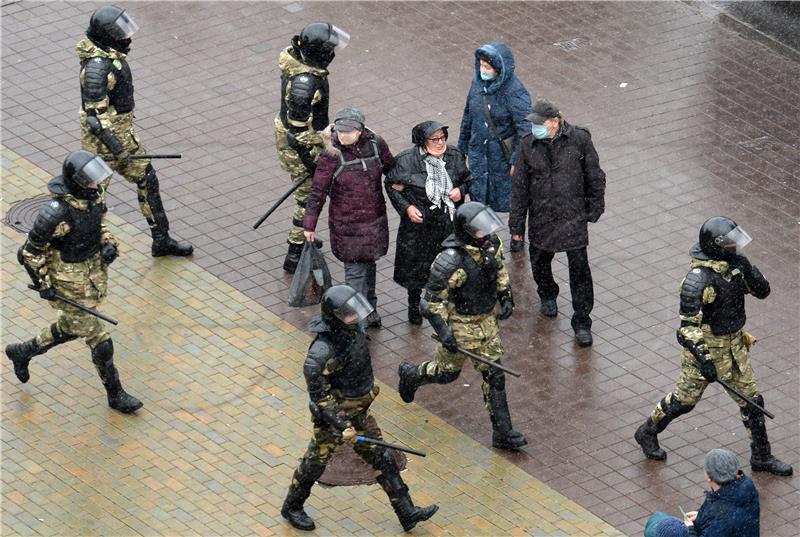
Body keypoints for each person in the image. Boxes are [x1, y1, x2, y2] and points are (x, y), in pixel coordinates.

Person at [634, 217, 792, 477]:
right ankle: (647, 431)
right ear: (717, 246)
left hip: (735, 346)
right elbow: (687, 328)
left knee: (752, 402)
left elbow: (763, 292)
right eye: (730, 244)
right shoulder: (697, 281)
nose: (735, 248)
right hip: (706, 349)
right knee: (684, 401)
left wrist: (749, 270)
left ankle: (761, 457)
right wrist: (705, 360)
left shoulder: (734, 268)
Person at [281, 285, 438, 532]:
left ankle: (407, 512)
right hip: (335, 419)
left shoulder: (353, 331)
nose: (355, 318)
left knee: (383, 459)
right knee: (316, 462)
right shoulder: (321, 353)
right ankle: (292, 506)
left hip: (360, 411)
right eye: (348, 315)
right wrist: (343, 426)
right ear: (335, 317)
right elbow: (320, 397)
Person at [4, 150, 143, 414]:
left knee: (70, 327)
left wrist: (109, 244)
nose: (96, 185)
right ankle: (116, 394)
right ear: (77, 182)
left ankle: (22, 352)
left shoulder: (94, 198)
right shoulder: (55, 214)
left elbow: (99, 225)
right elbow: (29, 253)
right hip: (68, 281)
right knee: (99, 338)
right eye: (90, 180)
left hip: (92, 273)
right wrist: (44, 285)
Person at [397, 202, 526, 451]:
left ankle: (502, 432)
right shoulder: (449, 261)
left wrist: (506, 296)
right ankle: (413, 375)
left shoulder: (492, 245)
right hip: (461, 323)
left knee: (495, 376)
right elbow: (431, 303)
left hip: (487, 320)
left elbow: (499, 270)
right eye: (480, 230)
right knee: (448, 373)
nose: (486, 234)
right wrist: (445, 333)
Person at [77, 5, 193, 257]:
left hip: (122, 136)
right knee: (93, 199)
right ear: (107, 37)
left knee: (148, 180)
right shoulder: (97, 68)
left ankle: (161, 240)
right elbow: (95, 120)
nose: (127, 39)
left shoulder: (109, 56)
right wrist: (118, 150)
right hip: (102, 146)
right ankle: (91, 248)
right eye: (121, 35)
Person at [509, 99, 606, 347]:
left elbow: (594, 175)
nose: (535, 128)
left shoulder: (579, 140)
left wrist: (594, 209)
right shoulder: (527, 146)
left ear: (554, 122)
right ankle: (547, 292)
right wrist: (517, 227)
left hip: (572, 216)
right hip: (542, 216)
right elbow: (519, 189)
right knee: (540, 262)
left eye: (539, 124)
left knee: (580, 271)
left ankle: (582, 321)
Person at [303, 107, 395, 327]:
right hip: (347, 227)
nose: (343, 136)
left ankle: (369, 309)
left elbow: (392, 168)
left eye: (349, 132)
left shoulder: (376, 145)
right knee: (354, 274)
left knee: (369, 266)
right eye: (341, 132)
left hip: (374, 222)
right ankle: (356, 320)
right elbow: (318, 191)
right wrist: (309, 224)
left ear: (360, 131)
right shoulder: (331, 155)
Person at [275, 22, 349, 273]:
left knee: (309, 198)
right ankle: (294, 252)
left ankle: (303, 236)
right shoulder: (304, 84)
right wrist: (314, 164)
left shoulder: (304, 69)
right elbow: (298, 135)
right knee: (307, 199)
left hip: (304, 140)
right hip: (299, 148)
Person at [384, 121, 472, 324]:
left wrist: (461, 191)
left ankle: (447, 305)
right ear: (423, 142)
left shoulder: (454, 156)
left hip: (448, 225)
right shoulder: (407, 161)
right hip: (419, 228)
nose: (441, 142)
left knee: (449, 267)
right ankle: (414, 305)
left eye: (443, 137)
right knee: (416, 269)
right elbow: (390, 184)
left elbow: (467, 179)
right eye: (435, 139)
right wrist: (407, 208)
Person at [457, 42, 532, 248]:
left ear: (500, 69)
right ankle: (484, 235)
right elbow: (468, 117)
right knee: (479, 194)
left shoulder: (515, 92)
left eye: (488, 67)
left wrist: (517, 158)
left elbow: (525, 129)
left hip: (503, 158)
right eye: (481, 65)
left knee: (514, 197)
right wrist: (461, 148)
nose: (483, 70)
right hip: (479, 154)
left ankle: (517, 234)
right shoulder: (477, 85)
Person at [683, 448, 760, 537]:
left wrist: (690, 530)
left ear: (708, 477)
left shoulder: (723, 513)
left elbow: (722, 520)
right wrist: (702, 516)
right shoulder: (746, 484)